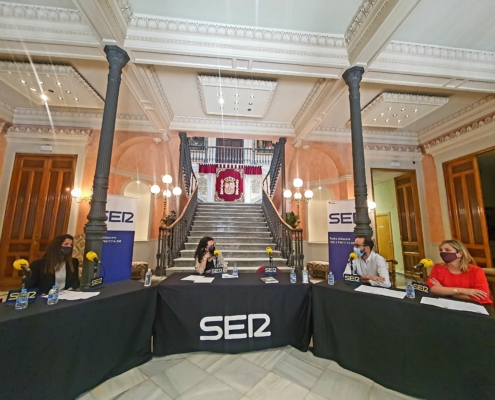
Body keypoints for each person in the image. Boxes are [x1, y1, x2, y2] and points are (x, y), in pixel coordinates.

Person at [426, 239, 493, 305]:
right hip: (446, 305)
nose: (443, 252)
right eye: (441, 250)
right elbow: (430, 288)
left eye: (447, 250)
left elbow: (483, 296)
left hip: (471, 307)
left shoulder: (476, 271)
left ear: (460, 254)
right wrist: (464, 291)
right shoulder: (438, 267)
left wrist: (444, 290)